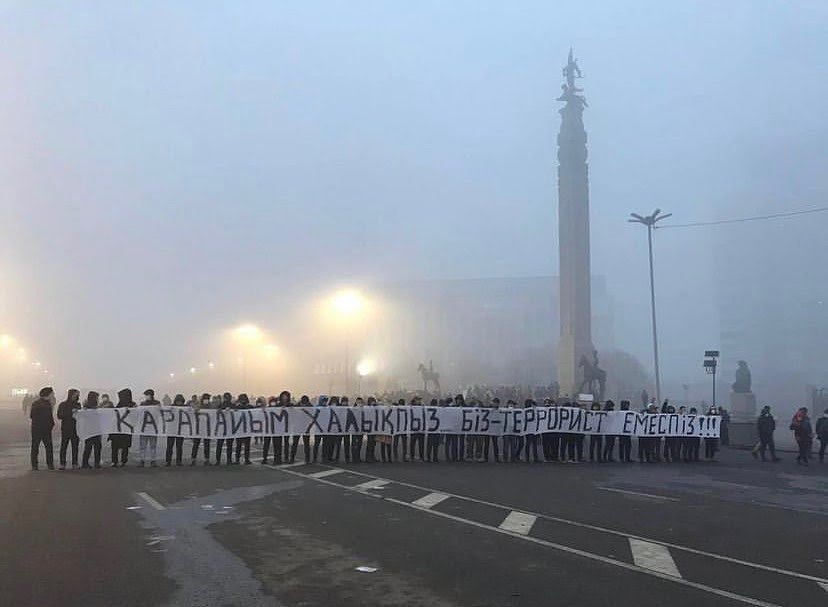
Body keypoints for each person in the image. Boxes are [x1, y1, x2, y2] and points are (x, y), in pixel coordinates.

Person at [30, 386, 56, 470]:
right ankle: (49, 465)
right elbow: (33, 416)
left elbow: (32, 416)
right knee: (47, 447)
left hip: (39, 428)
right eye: (52, 393)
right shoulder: (44, 404)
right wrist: (50, 424)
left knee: (36, 447)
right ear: (48, 394)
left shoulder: (37, 403)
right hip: (42, 428)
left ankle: (35, 465)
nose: (53, 395)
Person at [57, 388, 82, 470]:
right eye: (75, 395)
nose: (77, 396)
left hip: (76, 428)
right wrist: (71, 412)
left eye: (78, 395)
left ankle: (75, 463)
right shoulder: (63, 405)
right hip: (66, 428)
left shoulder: (78, 405)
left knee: (75, 446)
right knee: (64, 446)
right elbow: (59, 416)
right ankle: (62, 463)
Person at [109, 389, 135, 466]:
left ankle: (123, 460)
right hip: (117, 429)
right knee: (115, 446)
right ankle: (114, 461)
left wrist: (132, 410)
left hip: (126, 429)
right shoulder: (118, 405)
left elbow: (135, 416)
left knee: (125, 446)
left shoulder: (132, 405)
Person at [138, 389, 160, 467]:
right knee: (142, 446)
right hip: (144, 428)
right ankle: (142, 460)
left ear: (151, 395)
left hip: (153, 428)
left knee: (153, 446)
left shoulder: (157, 404)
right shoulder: (142, 404)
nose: (146, 396)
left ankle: (153, 460)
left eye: (147, 395)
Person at [81, 391, 102, 468]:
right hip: (91, 429)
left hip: (94, 429)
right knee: (90, 446)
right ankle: (88, 463)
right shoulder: (87, 407)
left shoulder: (91, 407)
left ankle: (92, 463)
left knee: (96, 446)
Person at [191, 393, 212, 466]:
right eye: (205, 399)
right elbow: (192, 412)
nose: (206, 400)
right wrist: (196, 410)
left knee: (207, 445)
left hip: (207, 429)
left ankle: (207, 459)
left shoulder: (211, 407)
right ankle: (193, 459)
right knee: (196, 444)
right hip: (198, 428)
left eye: (207, 399)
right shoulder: (199, 406)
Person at [165, 394, 186, 466]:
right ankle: (168, 461)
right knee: (169, 446)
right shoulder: (171, 407)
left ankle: (179, 461)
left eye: (180, 401)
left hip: (180, 430)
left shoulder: (185, 408)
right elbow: (166, 415)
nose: (179, 403)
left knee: (179, 446)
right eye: (178, 401)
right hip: (171, 429)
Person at [215, 392, 235, 465]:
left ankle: (228, 460)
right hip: (222, 428)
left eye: (228, 397)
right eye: (226, 397)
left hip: (229, 428)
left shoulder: (233, 405)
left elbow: (237, 413)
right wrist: (219, 410)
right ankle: (218, 460)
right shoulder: (220, 405)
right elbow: (215, 413)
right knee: (220, 445)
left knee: (229, 445)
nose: (227, 399)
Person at [234, 393, 253, 464]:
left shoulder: (250, 407)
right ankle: (237, 459)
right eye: (242, 399)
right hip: (239, 429)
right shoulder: (237, 407)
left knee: (247, 445)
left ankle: (246, 459)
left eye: (244, 399)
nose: (243, 400)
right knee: (238, 445)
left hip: (247, 429)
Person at [425, 398, 441, 462]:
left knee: (429, 445)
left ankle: (428, 457)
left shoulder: (428, 409)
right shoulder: (439, 410)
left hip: (430, 429)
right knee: (435, 445)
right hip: (437, 429)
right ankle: (435, 457)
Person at [351, 397, 365, 462]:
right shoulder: (353, 409)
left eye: (360, 402)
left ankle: (358, 457)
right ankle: (354, 458)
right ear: (356, 402)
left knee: (359, 444)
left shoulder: (364, 409)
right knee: (354, 444)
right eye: (358, 402)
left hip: (361, 430)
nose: (359, 404)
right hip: (355, 430)